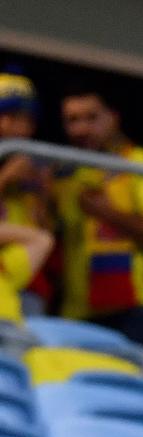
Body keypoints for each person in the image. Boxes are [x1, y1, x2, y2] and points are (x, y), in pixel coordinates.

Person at [55, 90, 143, 342]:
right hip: (77, 313)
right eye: (72, 120)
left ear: (113, 118)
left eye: (91, 118)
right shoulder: (66, 175)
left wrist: (106, 212)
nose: (81, 129)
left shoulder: (141, 162)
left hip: (139, 310)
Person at [0, 71, 54, 318]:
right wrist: (5, 179)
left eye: (26, 119)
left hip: (27, 278)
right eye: (8, 116)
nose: (17, 126)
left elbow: (47, 233)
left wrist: (43, 194)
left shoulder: (35, 166)